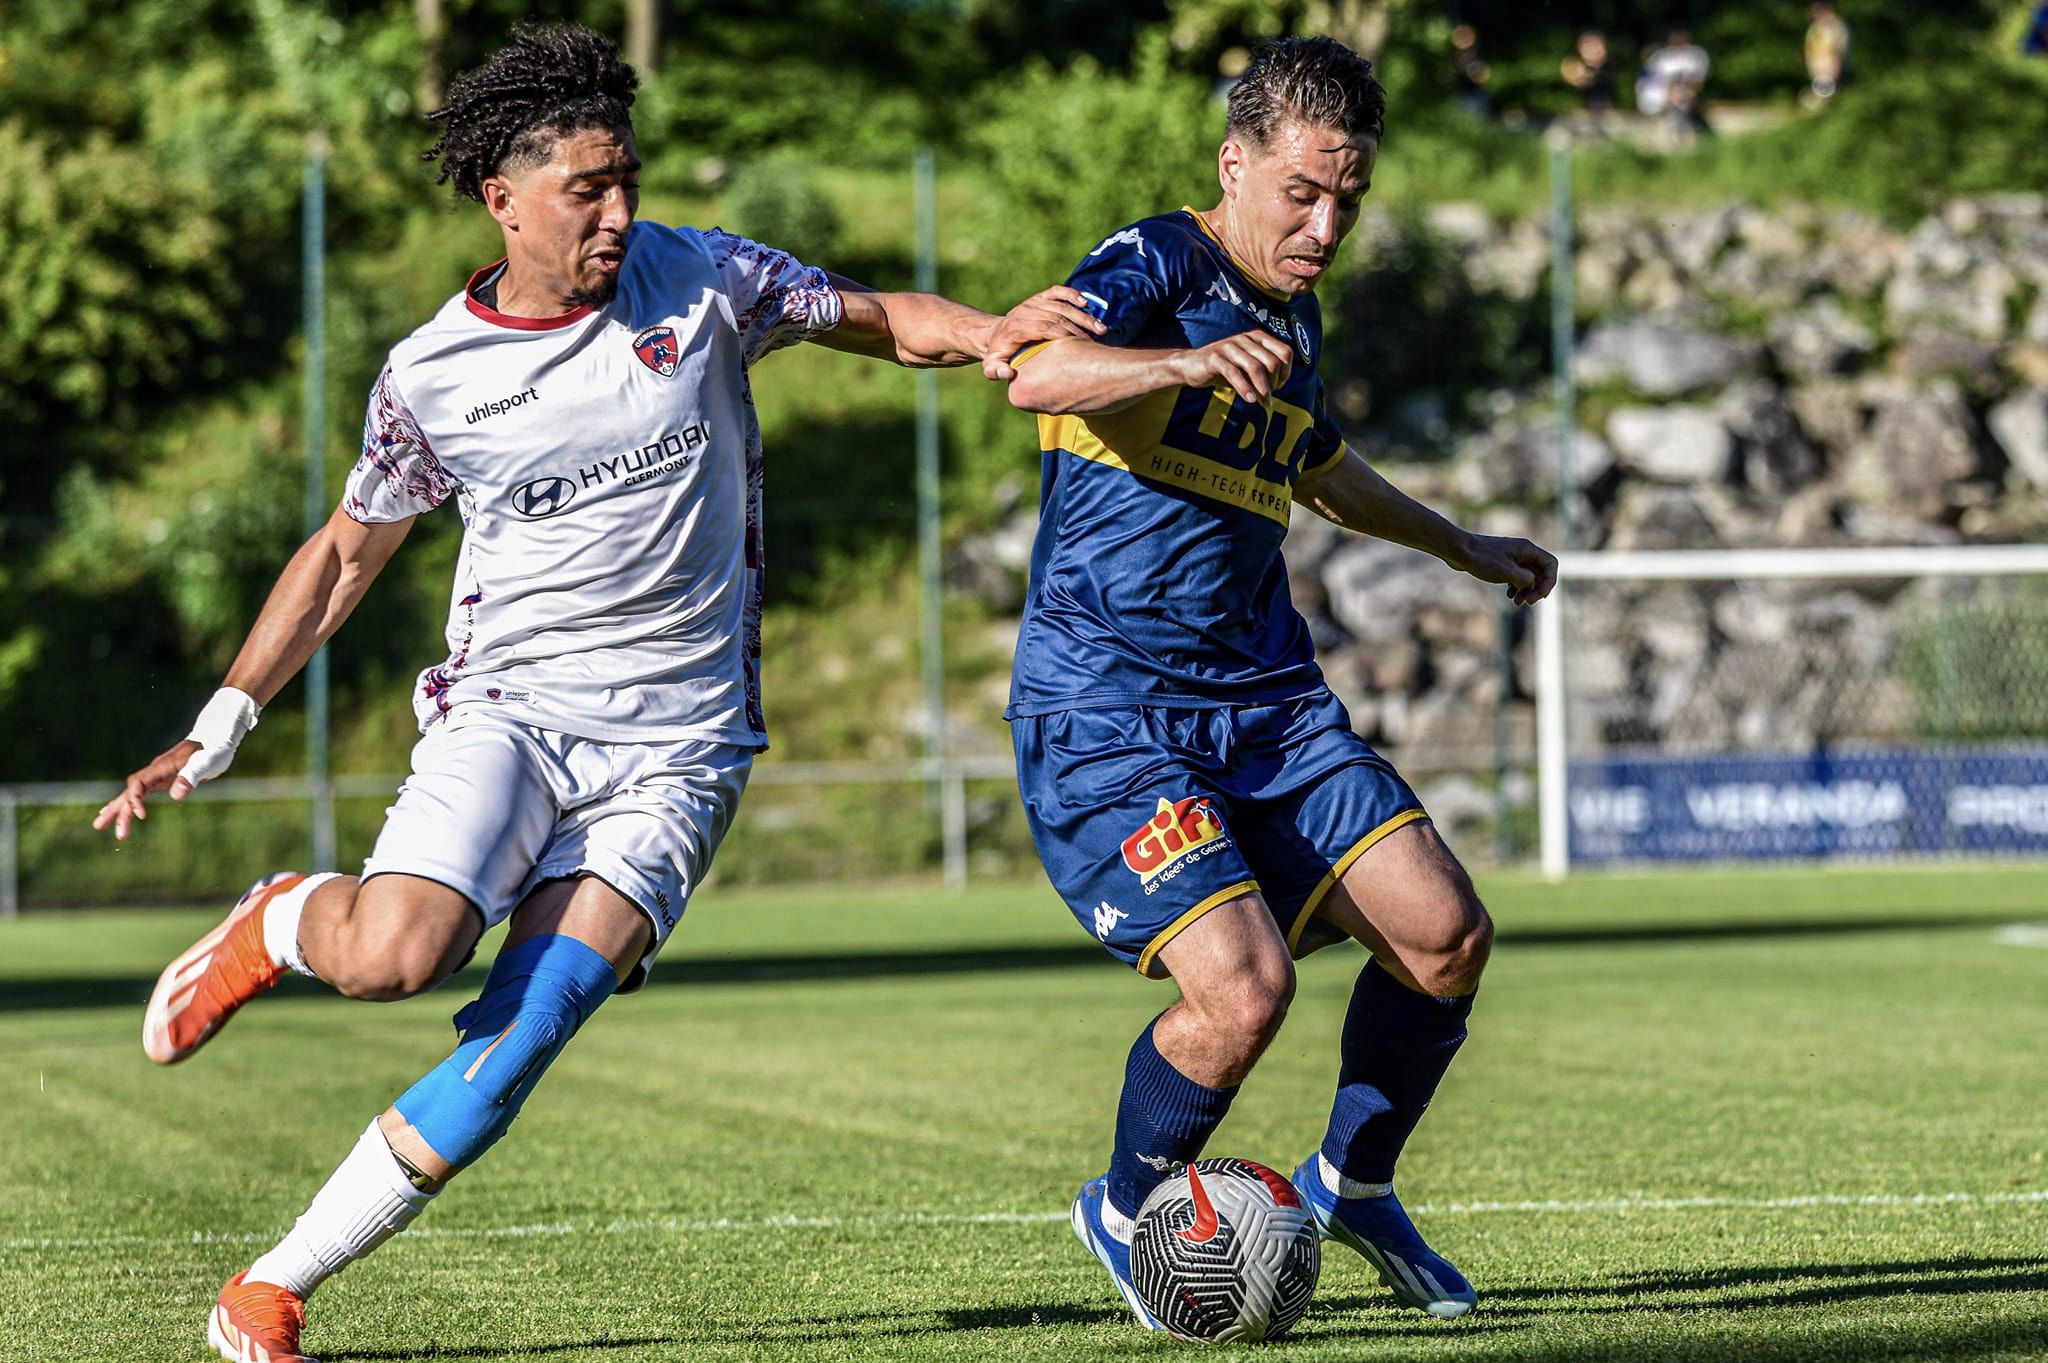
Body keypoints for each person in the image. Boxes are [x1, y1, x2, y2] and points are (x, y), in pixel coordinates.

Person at [92, 23, 1094, 1363]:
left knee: (526, 1029)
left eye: (626, 180)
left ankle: (267, 1289)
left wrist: (989, 333)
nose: (618, 212)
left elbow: (874, 318)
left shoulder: (704, 278)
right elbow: (346, 554)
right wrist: (221, 720)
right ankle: (279, 922)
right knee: (397, 956)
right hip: (510, 710)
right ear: (503, 200)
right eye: (586, 189)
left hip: (681, 748)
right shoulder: (432, 375)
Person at [996, 35, 1556, 1329]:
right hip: (1109, 713)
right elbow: (1033, 369)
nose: (1324, 224)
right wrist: (1181, 364)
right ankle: (1131, 1205)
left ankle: (1354, 1183)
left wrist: (1460, 544)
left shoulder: (1294, 319)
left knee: (1445, 935)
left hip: (1270, 707)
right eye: (1303, 191)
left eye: (1348, 199)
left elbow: (1322, 466)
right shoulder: (1157, 263)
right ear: (1234, 164)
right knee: (1244, 991)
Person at [1638, 27, 1711, 143]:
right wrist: (1672, 96)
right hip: (1667, 98)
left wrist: (1689, 94)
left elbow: (1698, 81)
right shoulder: (1662, 58)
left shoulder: (1696, 55)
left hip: (1688, 95)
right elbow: (1657, 83)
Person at [1804, 3, 1851, 104]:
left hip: (1831, 65)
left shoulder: (1836, 26)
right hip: (1818, 66)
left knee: (1832, 90)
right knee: (1822, 91)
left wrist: (1837, 62)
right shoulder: (1815, 27)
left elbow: (1840, 49)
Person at [1561, 28, 1616, 113]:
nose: (1592, 48)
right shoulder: (1573, 66)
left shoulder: (1611, 67)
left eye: (1596, 44)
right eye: (1588, 44)